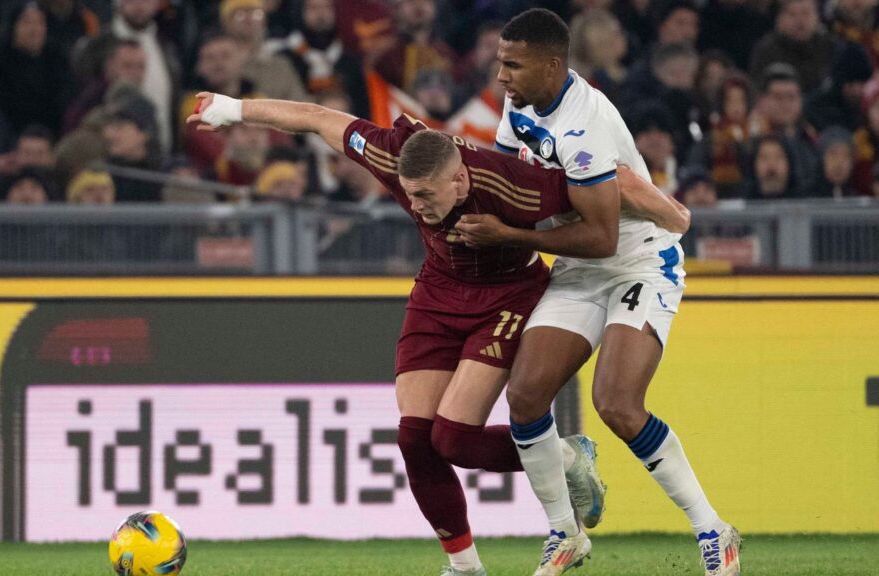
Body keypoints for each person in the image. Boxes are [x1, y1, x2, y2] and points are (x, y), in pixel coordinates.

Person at [189, 91, 683, 576]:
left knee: (455, 440)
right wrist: (233, 110)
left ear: (460, 179)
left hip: (507, 298)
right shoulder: (392, 155)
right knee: (415, 438)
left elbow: (605, 183)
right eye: (409, 193)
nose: (417, 205)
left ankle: (569, 454)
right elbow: (316, 118)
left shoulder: (515, 183)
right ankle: (464, 567)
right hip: (439, 293)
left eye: (427, 194)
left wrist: (672, 214)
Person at [483, 9, 738, 575]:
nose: (501, 75)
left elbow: (601, 237)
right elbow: (506, 174)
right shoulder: (520, 100)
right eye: (501, 62)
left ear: (552, 66)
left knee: (617, 405)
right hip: (577, 266)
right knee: (524, 399)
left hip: (636, 263)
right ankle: (564, 533)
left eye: (513, 65)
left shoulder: (585, 126)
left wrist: (510, 234)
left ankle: (713, 530)